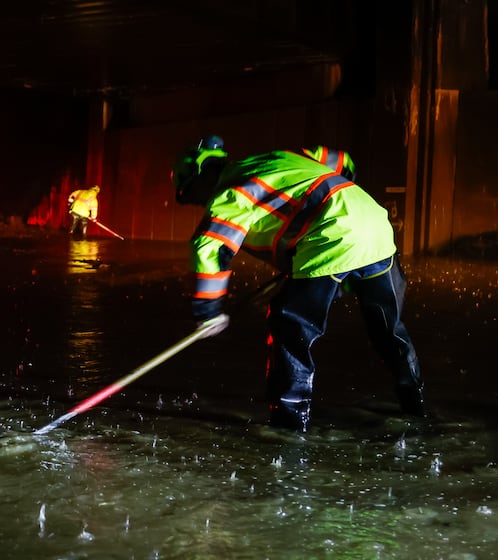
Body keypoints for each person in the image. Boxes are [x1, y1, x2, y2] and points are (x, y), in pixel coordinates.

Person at [171, 135, 427, 431]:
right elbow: (343, 161)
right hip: (375, 228)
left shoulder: (230, 194)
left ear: (201, 177)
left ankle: (289, 425)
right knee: (389, 330)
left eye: (192, 196)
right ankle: (416, 406)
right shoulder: (281, 157)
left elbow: (210, 247)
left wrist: (209, 312)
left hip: (329, 238)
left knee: (288, 329)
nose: (199, 204)